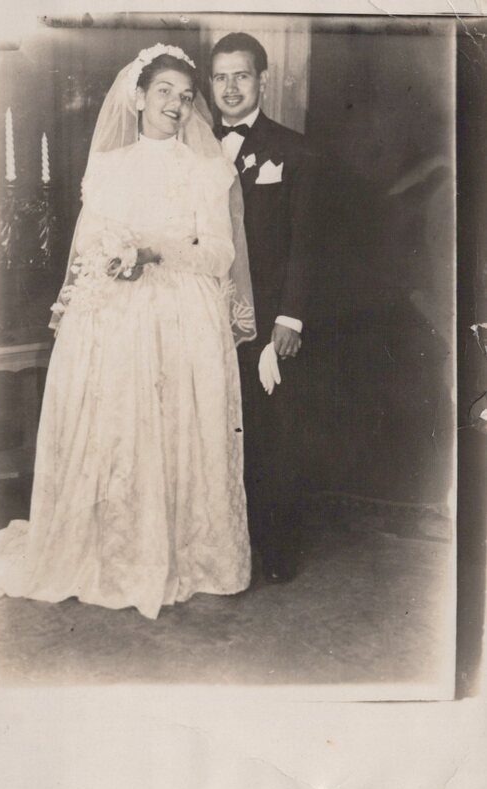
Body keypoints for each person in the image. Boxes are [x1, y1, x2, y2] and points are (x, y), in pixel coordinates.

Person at [0, 44, 256, 620]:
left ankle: (182, 554)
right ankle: (114, 555)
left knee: (177, 427)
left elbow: (219, 253)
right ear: (137, 98)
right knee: (117, 426)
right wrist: (115, 256)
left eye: (186, 96)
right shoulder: (109, 166)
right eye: (163, 91)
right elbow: (89, 243)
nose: (176, 104)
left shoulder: (205, 169)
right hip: (116, 315)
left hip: (183, 314)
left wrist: (156, 251)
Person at [211, 33, 316, 583]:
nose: (230, 88)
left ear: (263, 80)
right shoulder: (193, 150)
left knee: (269, 435)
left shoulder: (294, 150)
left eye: (242, 76)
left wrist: (289, 317)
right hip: (205, 317)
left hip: (269, 319)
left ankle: (274, 552)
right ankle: (219, 548)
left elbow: (308, 243)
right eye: (221, 77)